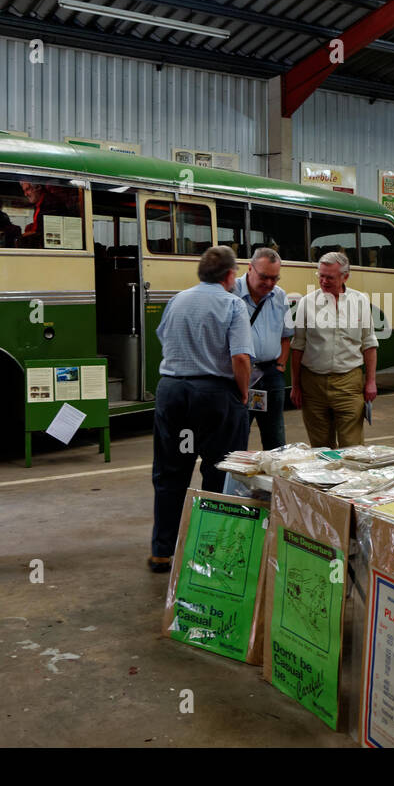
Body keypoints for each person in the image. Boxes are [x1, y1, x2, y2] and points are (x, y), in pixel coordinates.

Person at [150, 246, 252, 574]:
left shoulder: (177, 300)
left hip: (173, 393)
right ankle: (208, 553)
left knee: (172, 471)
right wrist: (243, 393)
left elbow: (164, 339)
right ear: (229, 275)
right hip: (214, 396)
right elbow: (240, 358)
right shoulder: (233, 304)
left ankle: (162, 552)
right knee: (218, 469)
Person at [290, 251, 378, 449]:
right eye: (320, 275)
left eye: (329, 277)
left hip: (348, 383)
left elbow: (369, 344)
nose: (323, 281)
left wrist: (371, 381)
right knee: (321, 449)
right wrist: (296, 385)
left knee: (353, 448)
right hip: (312, 384)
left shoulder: (360, 302)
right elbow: (298, 346)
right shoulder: (307, 303)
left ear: (345, 276)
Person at [233, 247, 294, 450]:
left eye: (275, 278)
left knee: (275, 438)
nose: (269, 284)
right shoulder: (230, 293)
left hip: (271, 374)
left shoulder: (279, 295)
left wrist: (280, 365)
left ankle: (274, 480)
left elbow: (287, 336)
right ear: (249, 268)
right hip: (240, 374)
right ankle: (234, 482)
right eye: (264, 277)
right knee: (237, 433)